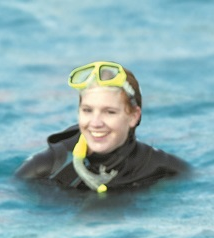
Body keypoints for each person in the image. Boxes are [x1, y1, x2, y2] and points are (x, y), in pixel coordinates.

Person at [16, 61, 189, 192]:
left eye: (109, 112)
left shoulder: (158, 166)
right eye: (87, 110)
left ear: (133, 116)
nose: (95, 123)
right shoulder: (48, 166)